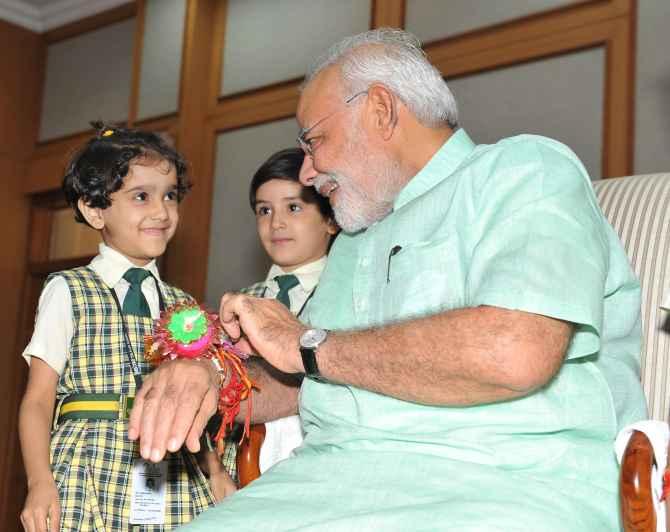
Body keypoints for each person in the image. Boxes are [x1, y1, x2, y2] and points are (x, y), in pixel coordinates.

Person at [129, 29, 647, 530]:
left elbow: (514, 352)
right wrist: (213, 378)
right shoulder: (353, 239)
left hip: (500, 482)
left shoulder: (524, 170)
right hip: (323, 484)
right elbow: (296, 377)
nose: (307, 172)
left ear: (380, 110)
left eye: (314, 140)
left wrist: (306, 343)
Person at [18, 123, 215, 531]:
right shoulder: (68, 290)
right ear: (94, 210)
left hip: (168, 465)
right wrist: (39, 482)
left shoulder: (184, 306)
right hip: (87, 465)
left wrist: (215, 471)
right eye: (141, 197)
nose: (161, 212)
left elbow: (197, 402)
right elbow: (38, 399)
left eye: (170, 196)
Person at [218, 147, 338, 487]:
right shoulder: (239, 304)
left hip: (319, 466)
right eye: (264, 210)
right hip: (242, 470)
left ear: (330, 219)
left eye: (293, 207)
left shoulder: (345, 295)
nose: (276, 223)